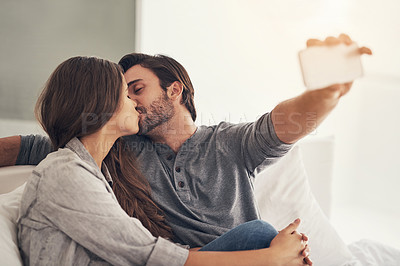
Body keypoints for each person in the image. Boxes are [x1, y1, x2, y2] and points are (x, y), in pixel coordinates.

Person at [1, 34, 370, 261]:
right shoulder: (116, 147)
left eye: (138, 88)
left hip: (246, 259)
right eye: (123, 92)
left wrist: (325, 93)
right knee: (260, 233)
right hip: (184, 262)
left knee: (259, 235)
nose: (128, 100)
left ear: (174, 89)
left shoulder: (229, 143)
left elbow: (286, 124)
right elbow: (31, 146)